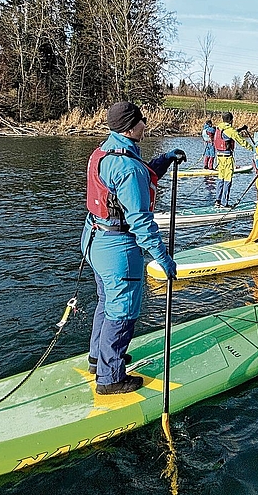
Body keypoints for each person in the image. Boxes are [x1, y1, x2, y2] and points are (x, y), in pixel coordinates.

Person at [82, 101, 182, 395]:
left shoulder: (105, 151)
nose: (145, 124)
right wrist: (163, 259)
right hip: (117, 249)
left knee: (106, 301)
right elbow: (140, 221)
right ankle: (110, 377)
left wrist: (162, 161)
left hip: (93, 240)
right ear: (129, 128)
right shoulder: (127, 166)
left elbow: (130, 183)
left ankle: (96, 359)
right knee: (122, 310)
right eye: (141, 120)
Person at [213, 111, 255, 207]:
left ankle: (217, 201)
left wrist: (241, 129)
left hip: (219, 158)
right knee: (228, 180)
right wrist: (253, 148)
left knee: (221, 179)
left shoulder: (219, 128)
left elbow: (230, 133)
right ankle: (224, 203)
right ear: (231, 120)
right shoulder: (230, 131)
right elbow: (240, 140)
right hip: (227, 158)